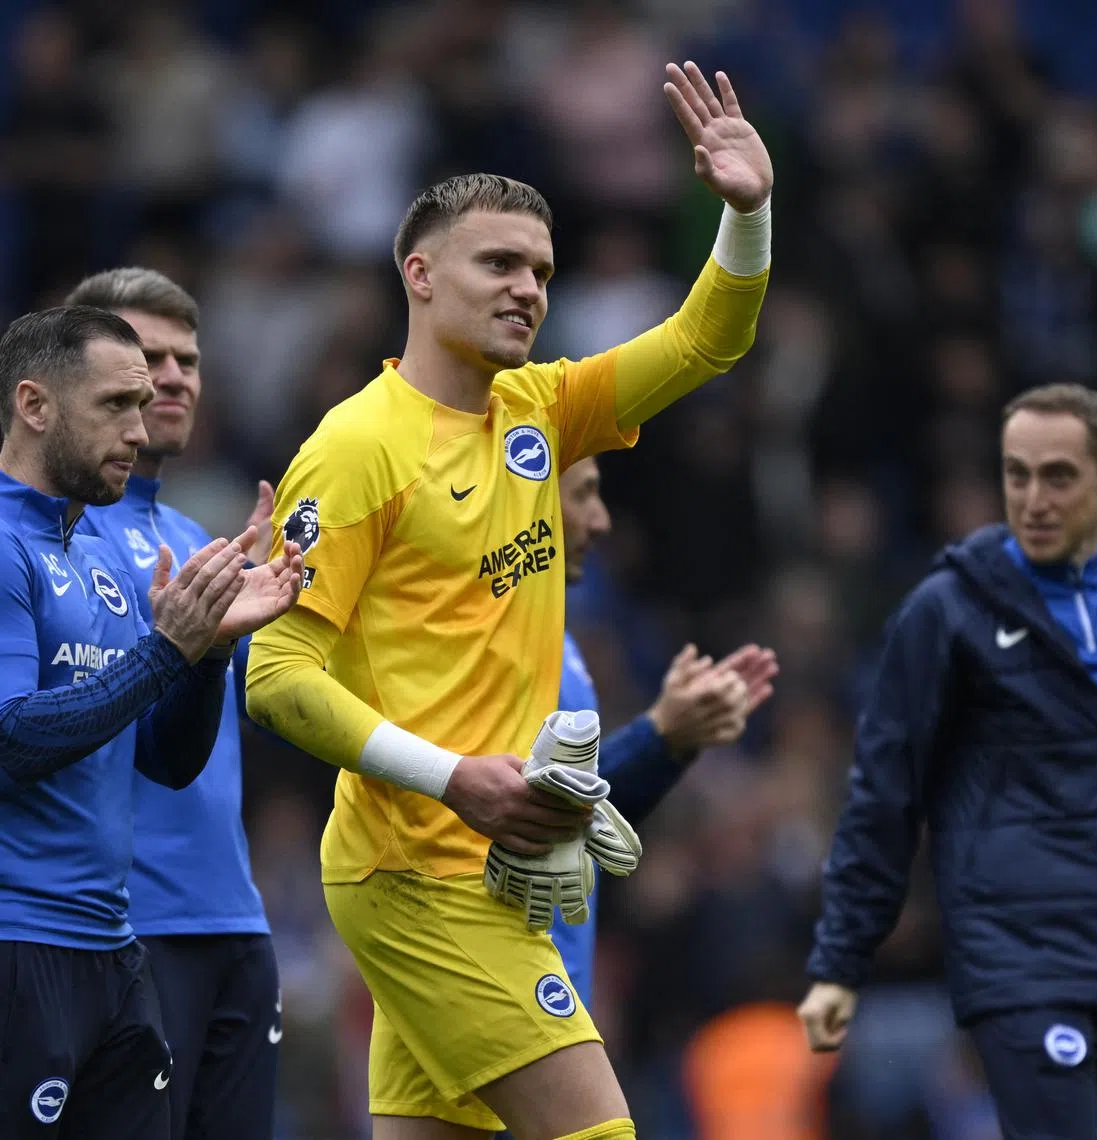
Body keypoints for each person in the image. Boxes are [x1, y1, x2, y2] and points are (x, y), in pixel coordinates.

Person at [246, 60, 773, 1140]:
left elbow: (707, 340)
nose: (528, 287)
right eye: (497, 264)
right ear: (420, 275)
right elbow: (278, 678)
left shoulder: (537, 412)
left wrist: (747, 215)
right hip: (418, 869)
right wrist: (455, 780)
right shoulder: (353, 451)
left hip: (495, 874)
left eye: (539, 269)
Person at [799, 383, 1097, 1140]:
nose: (1034, 498)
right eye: (1017, 475)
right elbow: (882, 798)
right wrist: (840, 962)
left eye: (1058, 476)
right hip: (1027, 963)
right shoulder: (947, 615)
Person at [0, 305, 302, 1140]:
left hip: (113, 949)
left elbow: (167, 761)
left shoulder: (91, 561)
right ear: (34, 405)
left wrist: (206, 654)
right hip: (21, 943)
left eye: (144, 406)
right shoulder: (3, 546)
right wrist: (168, 652)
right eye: (115, 406)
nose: (141, 429)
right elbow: (11, 739)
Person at [63, 267, 282, 1140]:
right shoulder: (57, 533)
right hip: (126, 930)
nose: (174, 376)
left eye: (187, 358)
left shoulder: (198, 541)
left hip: (237, 921)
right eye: (148, 356)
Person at [549, 456, 779, 1010]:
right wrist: (658, 734)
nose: (601, 520)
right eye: (582, 495)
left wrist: (674, 740)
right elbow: (518, 810)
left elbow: (575, 817)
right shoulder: (483, 645)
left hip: (550, 993)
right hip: (500, 1000)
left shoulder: (561, 645)